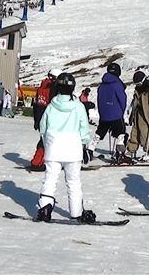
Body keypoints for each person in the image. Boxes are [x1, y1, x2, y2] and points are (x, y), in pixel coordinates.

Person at [35, 73, 96, 224]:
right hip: (73, 148)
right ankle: (76, 212)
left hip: (53, 147)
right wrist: (84, 145)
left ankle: (45, 208)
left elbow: (43, 127)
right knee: (73, 182)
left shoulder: (51, 106)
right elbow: (84, 129)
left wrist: (47, 142)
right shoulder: (79, 106)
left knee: (50, 179)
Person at [95, 62, 129, 163]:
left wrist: (102, 113)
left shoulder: (102, 85)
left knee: (100, 132)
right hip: (115, 113)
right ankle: (120, 154)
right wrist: (121, 112)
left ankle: (89, 150)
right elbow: (122, 99)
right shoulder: (117, 84)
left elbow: (99, 100)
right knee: (121, 132)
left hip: (104, 114)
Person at [127, 71, 149, 161]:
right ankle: (131, 151)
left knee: (145, 134)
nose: (137, 86)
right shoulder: (137, 90)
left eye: (139, 84)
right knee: (134, 133)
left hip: (147, 115)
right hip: (137, 114)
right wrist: (131, 112)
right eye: (136, 84)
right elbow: (134, 102)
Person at [29, 69, 58, 170]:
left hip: (40, 116)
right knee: (46, 141)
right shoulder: (53, 88)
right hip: (49, 117)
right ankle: (37, 161)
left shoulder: (41, 87)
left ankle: (41, 160)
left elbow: (37, 104)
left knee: (44, 139)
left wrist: (36, 121)